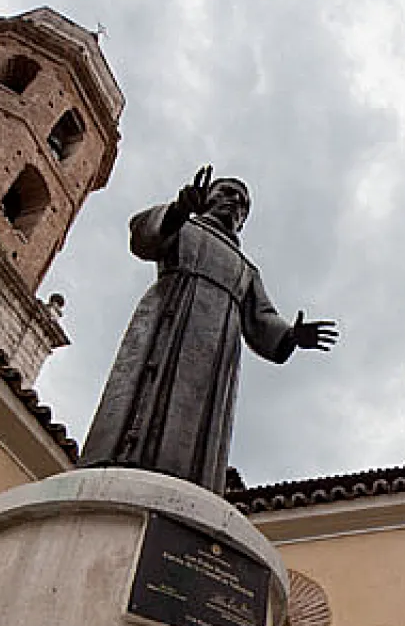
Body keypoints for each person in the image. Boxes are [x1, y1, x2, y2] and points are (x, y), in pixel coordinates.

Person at [81, 167, 337, 494]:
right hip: (168, 320)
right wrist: (178, 210)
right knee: (144, 398)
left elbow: (263, 317)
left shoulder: (245, 269)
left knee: (202, 419)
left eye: (242, 203)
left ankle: (192, 484)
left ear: (243, 221)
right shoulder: (183, 226)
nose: (234, 203)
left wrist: (290, 336)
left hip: (217, 346)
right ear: (206, 198)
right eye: (227, 192)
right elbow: (145, 237)